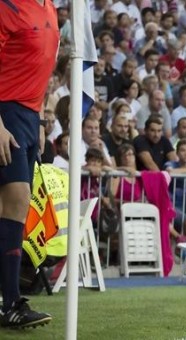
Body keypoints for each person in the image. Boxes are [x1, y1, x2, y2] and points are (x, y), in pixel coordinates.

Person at [0, 0, 59, 328]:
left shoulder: (49, 6)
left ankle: (8, 302)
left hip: (26, 114)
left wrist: (36, 120)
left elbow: (39, 62)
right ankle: (10, 303)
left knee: (13, 206)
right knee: (16, 200)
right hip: (4, 110)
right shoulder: (7, 5)